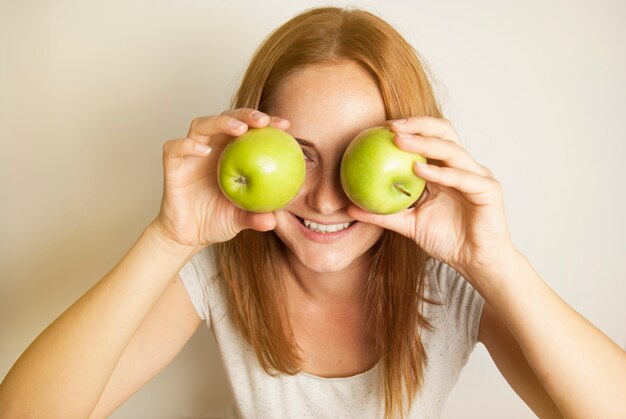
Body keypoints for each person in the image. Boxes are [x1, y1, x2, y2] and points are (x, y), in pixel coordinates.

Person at [0, 6, 624, 419]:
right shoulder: (222, 277)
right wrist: (168, 238)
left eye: (355, 158)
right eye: (298, 159)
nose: (327, 201)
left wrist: (497, 262)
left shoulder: (449, 286)